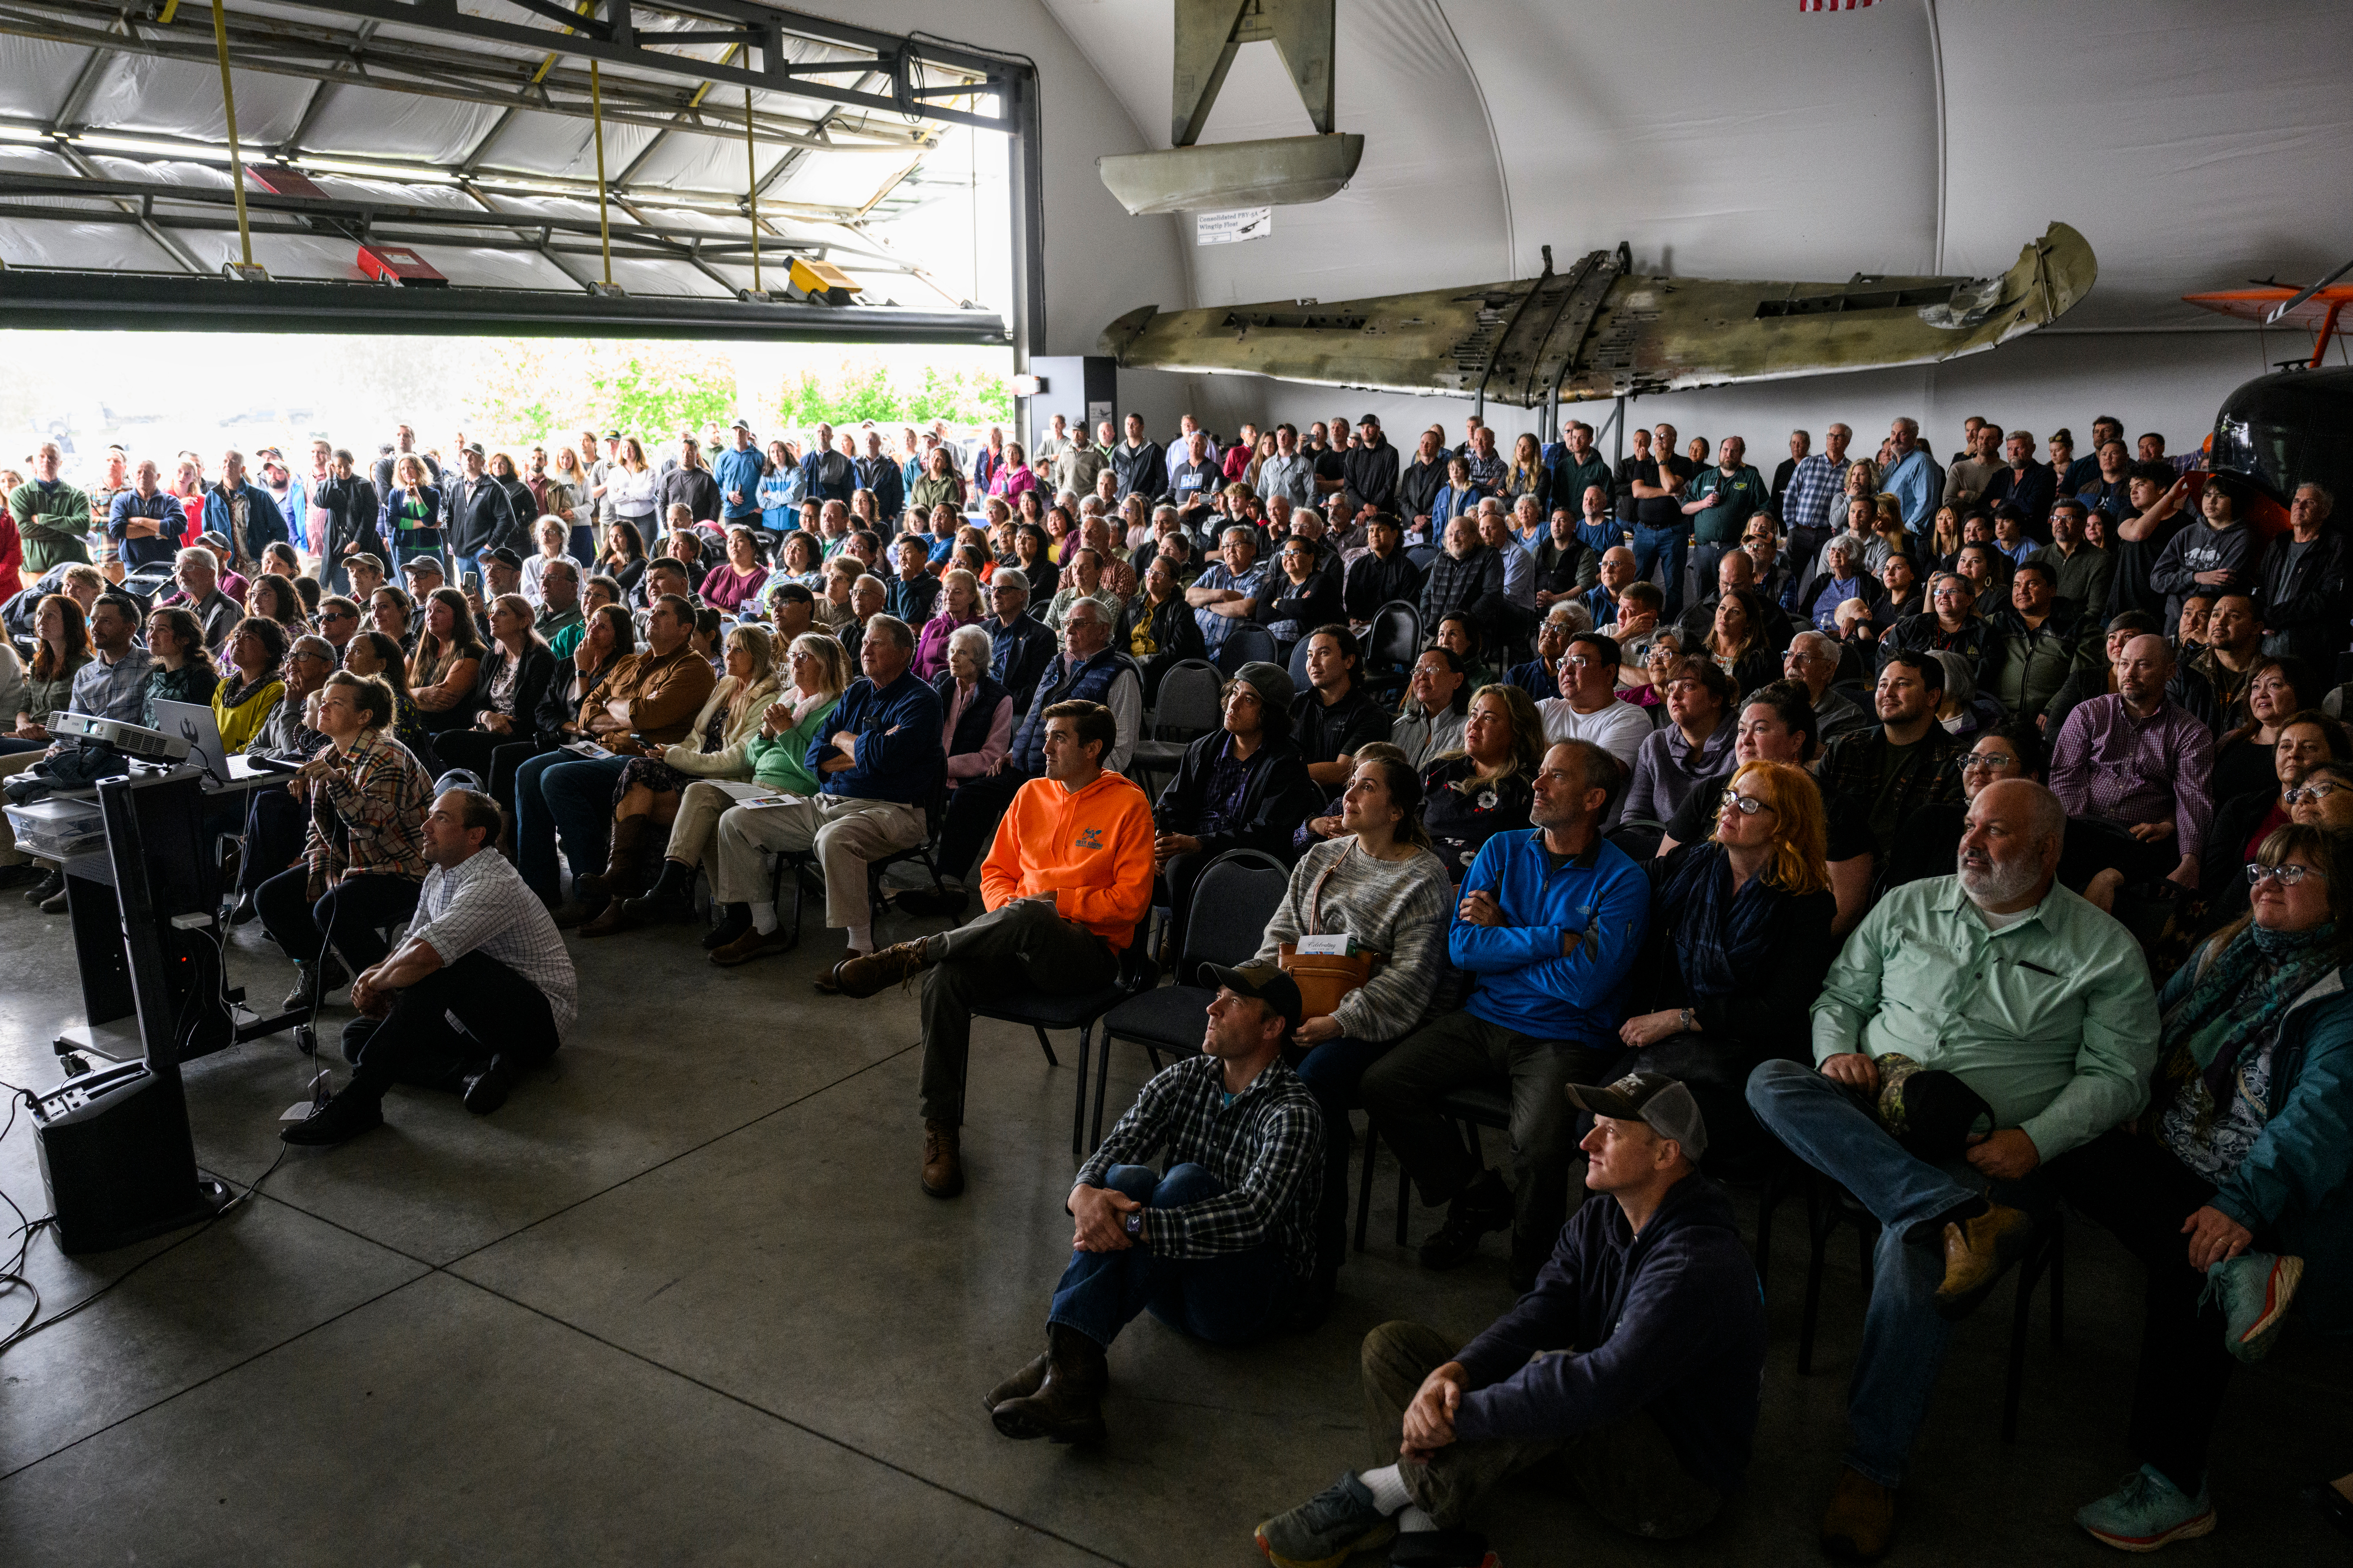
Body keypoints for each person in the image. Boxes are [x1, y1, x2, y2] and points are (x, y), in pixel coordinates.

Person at [1745, 777, 2159, 1560]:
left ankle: (1872, 1469)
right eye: (1970, 824)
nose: (1970, 841)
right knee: (1769, 1080)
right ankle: (1943, 1209)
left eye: (1995, 832)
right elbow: (1843, 988)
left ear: (2047, 851)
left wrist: (2035, 1140)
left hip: (1988, 1147)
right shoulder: (1910, 901)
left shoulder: (2102, 949)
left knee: (1916, 1258)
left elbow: (2119, 1074)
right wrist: (1837, 1048)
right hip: (1872, 1112)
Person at [1255, 1072, 1764, 1568]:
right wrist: (1456, 1373)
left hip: (1671, 1485)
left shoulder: (1697, 1264)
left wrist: (1457, 1418)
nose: (1586, 1140)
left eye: (1611, 1131)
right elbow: (1540, 1315)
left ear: (1665, 1154)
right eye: (1593, 1124)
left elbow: (1606, 1384)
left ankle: (1376, 1492)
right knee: (1394, 1348)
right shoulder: (1601, 1218)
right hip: (1593, 1429)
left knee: (1566, 1387)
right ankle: (1426, 1530)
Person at [2051, 823, 2353, 1551]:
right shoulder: (2229, 950)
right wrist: (2124, 1097)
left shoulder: (2341, 995)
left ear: (2342, 899)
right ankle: (2236, 1274)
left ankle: (2177, 1484)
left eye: (2295, 872)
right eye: (2259, 869)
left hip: (2263, 1196)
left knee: (2188, 1259)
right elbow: (2151, 1028)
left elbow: (2318, 1117)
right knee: (2062, 1141)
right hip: (2170, 1153)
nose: (2266, 883)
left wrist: (2240, 1208)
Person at [812, 699, 1154, 1198]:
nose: (1045, 743)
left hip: (1088, 957)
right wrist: (1013, 913)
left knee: (1032, 911)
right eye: (1046, 733)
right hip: (1016, 940)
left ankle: (911, 952)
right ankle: (942, 1129)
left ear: (1093, 748)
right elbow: (994, 874)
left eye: (1059, 737)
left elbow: (1130, 902)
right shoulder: (1031, 794)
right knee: (947, 980)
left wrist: (1051, 904)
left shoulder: (1129, 805)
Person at [974, 960, 1319, 1444]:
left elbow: (1254, 1215)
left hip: (1243, 1300)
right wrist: (1084, 1196)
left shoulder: (1294, 1110)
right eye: (1218, 995)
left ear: (1273, 1027)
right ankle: (1073, 1371)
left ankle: (1065, 1361)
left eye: (1234, 1002)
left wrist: (1134, 1228)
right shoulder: (1184, 1079)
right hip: (1165, 1286)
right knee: (1126, 1178)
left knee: (1183, 1183)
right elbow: (1112, 1153)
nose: (1212, 1007)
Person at [1364, 739, 1651, 1287]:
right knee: (1383, 1083)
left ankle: (1535, 1273)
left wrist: (1504, 938)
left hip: (1566, 1037)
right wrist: (1550, 940)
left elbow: (1588, 986)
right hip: (1485, 1017)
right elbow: (1464, 950)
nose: (1537, 784)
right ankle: (1477, 1197)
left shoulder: (1624, 881)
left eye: (1555, 777)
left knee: (1540, 1146)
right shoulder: (1501, 849)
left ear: (1594, 798)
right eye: (1540, 772)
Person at [1255, 752, 1452, 1309]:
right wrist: (1257, 997)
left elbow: (1409, 984)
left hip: (1384, 1020)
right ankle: (1254, 1217)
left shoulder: (1424, 878)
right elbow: (1280, 938)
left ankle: (1319, 1255)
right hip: (1311, 1002)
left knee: (1316, 1084)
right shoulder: (1322, 856)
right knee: (1248, 1059)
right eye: (1352, 784)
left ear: (1396, 809)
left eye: (1367, 787)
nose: (1350, 795)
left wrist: (1340, 1022)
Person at [282, 788, 577, 1146]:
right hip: (478, 1016)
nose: (425, 826)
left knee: (443, 965)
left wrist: (377, 984)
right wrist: (372, 975)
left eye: (441, 818)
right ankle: (469, 1075)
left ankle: (360, 1104)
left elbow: (425, 954)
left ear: (475, 835)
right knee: (357, 1037)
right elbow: (410, 939)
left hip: (536, 1024)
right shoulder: (440, 874)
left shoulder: (492, 882)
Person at [705, 613, 941, 969]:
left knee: (834, 838)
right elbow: (816, 755)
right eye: (864, 643)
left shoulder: (922, 700)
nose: (866, 649)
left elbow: (884, 758)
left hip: (893, 810)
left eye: (877, 643)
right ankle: (765, 926)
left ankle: (861, 949)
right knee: (736, 821)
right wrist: (860, 748)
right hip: (827, 802)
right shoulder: (859, 691)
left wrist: (845, 740)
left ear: (906, 651)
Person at [575, 623, 781, 936]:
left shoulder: (768, 697)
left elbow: (739, 758)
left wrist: (675, 757)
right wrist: (669, 750)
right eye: (729, 648)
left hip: (725, 777)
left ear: (759, 655)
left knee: (641, 794)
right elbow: (696, 737)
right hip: (695, 767)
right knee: (639, 773)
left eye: (739, 649)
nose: (729, 655)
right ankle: (635, 886)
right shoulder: (726, 685)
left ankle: (623, 883)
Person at [515, 594, 715, 916]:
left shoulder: (694, 669)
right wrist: (621, 711)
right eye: (652, 611)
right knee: (528, 771)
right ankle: (539, 890)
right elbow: (585, 713)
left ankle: (592, 891)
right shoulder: (629, 662)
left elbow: (646, 717)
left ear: (685, 628)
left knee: (556, 777)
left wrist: (613, 706)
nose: (652, 616)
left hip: (644, 759)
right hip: (600, 749)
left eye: (662, 614)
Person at [254, 672, 434, 1010]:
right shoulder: (328, 754)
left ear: (364, 717)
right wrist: (317, 861)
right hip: (355, 862)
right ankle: (320, 970)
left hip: (401, 867)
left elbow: (373, 825)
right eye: (324, 701)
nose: (324, 707)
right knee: (271, 897)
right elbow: (320, 828)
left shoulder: (386, 755)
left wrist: (337, 783)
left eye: (336, 703)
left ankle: (399, 991)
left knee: (334, 910)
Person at [1152, 661, 1318, 946]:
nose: (1233, 704)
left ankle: (1183, 954)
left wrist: (1199, 843)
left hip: (1245, 858)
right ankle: (1130, 966)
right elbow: (1172, 806)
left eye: (1249, 699)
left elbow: (1268, 833)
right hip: (1192, 846)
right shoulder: (1204, 748)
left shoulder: (1286, 763)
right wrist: (1162, 843)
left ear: (1269, 714)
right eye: (1234, 693)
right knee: (1132, 858)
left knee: (1181, 869)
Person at [2049, 633, 2214, 890]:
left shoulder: (2191, 733)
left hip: (2139, 842)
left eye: (2143, 665)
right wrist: (2074, 832)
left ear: (2170, 671)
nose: (2129, 673)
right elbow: (2066, 776)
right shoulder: (2088, 713)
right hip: (2078, 829)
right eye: (2124, 664)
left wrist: (2190, 861)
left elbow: (2193, 799)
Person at [2199, 707, 2345, 931]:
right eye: (2285, 746)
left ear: (2335, 760)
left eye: (2308, 747)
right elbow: (2214, 889)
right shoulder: (2240, 809)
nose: (2293, 754)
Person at [1814, 649, 1967, 863]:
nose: (1888, 693)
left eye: (1902, 684)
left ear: (1932, 696)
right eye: (1883, 685)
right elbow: (1810, 816)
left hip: (1907, 880)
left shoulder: (1958, 762)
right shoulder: (1846, 747)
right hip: (1832, 868)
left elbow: (1944, 849)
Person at [431, 593, 558, 782]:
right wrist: (485, 717)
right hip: (492, 728)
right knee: (441, 740)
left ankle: (486, 801)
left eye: (502, 613)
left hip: (522, 732)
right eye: (491, 613)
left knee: (448, 741)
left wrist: (493, 725)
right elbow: (477, 705)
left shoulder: (541, 658)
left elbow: (536, 714)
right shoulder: (491, 657)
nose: (492, 618)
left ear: (523, 622)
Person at [1623, 656, 1736, 828]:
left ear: (1715, 699)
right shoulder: (1655, 744)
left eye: (1687, 686)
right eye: (1671, 688)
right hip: (1653, 848)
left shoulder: (1743, 745)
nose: (1674, 695)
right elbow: (1635, 817)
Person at [1289, 625, 1389, 790]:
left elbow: (1344, 771)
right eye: (1309, 655)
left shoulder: (1371, 714)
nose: (1313, 662)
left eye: (1323, 653)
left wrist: (1281, 773)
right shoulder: (1295, 703)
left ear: (1349, 661)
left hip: (1335, 806)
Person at [1534, 631, 1651, 770]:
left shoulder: (1632, 718)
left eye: (1578, 662)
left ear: (1609, 673)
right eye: (1564, 662)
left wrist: (1533, 743)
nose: (1567, 670)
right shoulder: (1546, 708)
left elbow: (1596, 776)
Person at [2257, 482, 2345, 663]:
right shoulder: (2279, 544)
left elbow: (2327, 597)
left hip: (2310, 650)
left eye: (2309, 502)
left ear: (2325, 512)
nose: (2299, 506)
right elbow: (2260, 586)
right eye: (2296, 500)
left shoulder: (2336, 546)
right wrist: (2259, 618)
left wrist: (2274, 616)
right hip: (2267, 644)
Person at [1391, 647, 1471, 770]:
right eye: (1418, 670)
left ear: (1457, 680)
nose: (1422, 676)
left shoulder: (1468, 732)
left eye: (1432, 669)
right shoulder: (1401, 727)